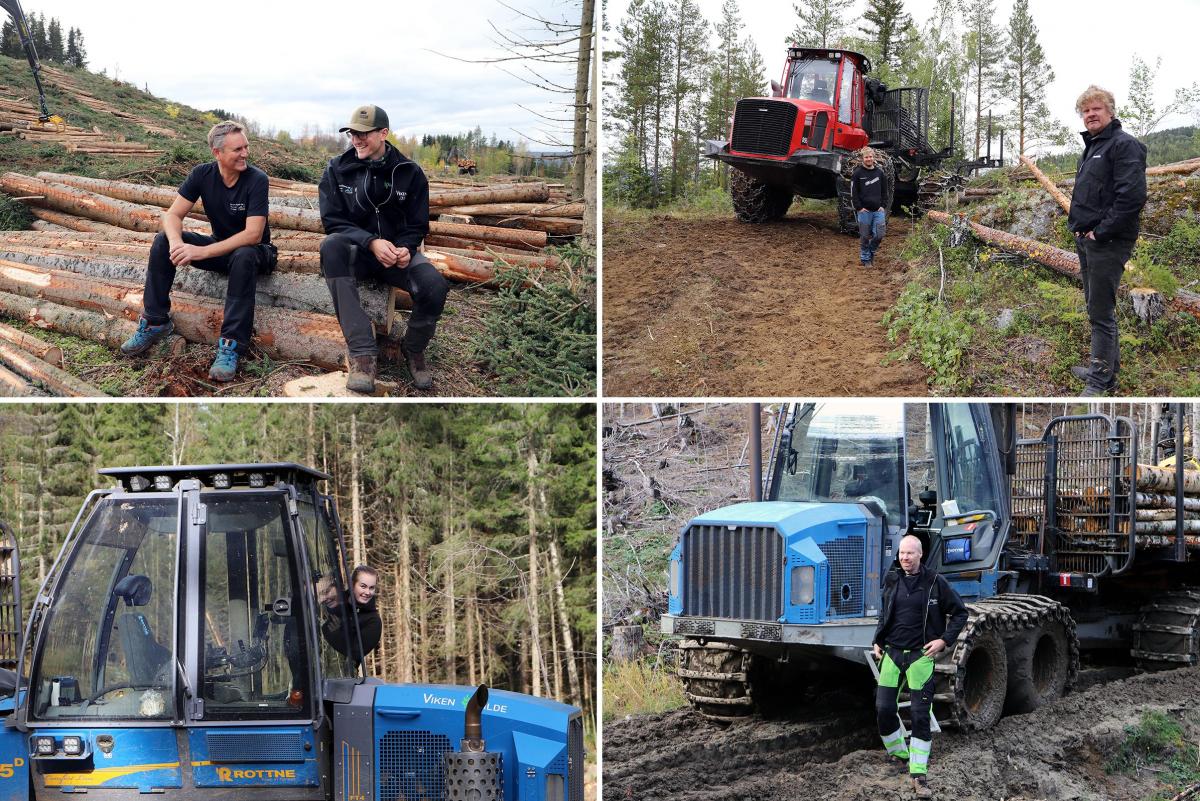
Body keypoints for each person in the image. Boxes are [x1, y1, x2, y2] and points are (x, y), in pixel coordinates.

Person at [119, 120, 276, 381]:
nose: (245, 154)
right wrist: (176, 242)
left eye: (246, 147)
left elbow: (253, 234)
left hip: (257, 252)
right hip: (222, 248)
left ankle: (231, 345)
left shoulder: (257, 179)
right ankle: (155, 321)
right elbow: (172, 216)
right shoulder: (202, 174)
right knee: (161, 241)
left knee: (244, 254)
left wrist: (202, 252)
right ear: (217, 153)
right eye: (237, 149)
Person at [318, 105, 449, 393]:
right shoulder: (338, 169)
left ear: (383, 133)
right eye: (352, 134)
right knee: (331, 247)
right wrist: (370, 242)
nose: (356, 140)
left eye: (364, 134)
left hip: (397, 257)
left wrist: (406, 247)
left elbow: (417, 224)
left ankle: (413, 350)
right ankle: (363, 352)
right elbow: (332, 220)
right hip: (357, 254)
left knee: (435, 286)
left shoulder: (409, 172)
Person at [872, 535, 967, 798]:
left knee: (919, 715)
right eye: (902, 553)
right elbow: (885, 613)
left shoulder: (936, 582)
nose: (904, 558)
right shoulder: (892, 579)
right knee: (883, 709)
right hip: (891, 653)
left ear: (920, 555)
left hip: (920, 657)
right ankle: (899, 753)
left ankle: (919, 775)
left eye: (910, 554)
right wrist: (877, 640)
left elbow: (960, 613)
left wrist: (944, 641)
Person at [1068, 85, 1147, 396]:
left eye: (1096, 108)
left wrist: (1101, 231)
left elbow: (1132, 197)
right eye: (1086, 110)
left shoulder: (1124, 146)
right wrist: (1079, 228)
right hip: (1087, 240)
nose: (1091, 114)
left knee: (1101, 312)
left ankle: (1100, 381)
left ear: (1110, 111)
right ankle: (1106, 370)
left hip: (1108, 242)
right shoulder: (1091, 148)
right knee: (1095, 306)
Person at [318, 565, 381, 667]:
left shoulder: (373, 622)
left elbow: (356, 653)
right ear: (352, 584)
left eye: (372, 588)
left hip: (340, 676)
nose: (368, 592)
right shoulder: (334, 597)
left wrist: (336, 633)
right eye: (363, 586)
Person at [851, 149, 887, 266]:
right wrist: (859, 208)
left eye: (870, 157)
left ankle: (870, 252)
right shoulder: (857, 173)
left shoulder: (880, 173)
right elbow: (854, 193)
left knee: (879, 234)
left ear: (874, 158)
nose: (869, 159)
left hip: (878, 211)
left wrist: (883, 206)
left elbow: (884, 192)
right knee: (865, 236)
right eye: (866, 157)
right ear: (863, 158)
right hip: (864, 212)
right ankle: (866, 259)